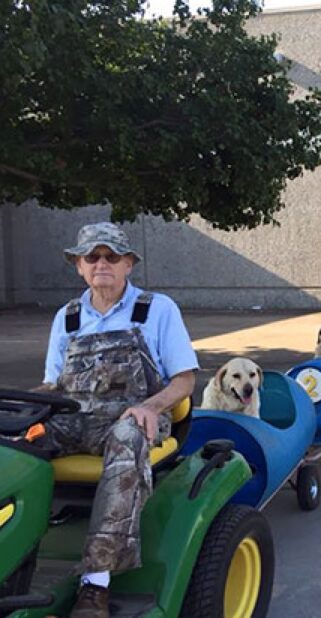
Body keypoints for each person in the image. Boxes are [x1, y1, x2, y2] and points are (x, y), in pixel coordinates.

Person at [36, 222, 198, 618]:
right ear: (79, 266)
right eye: (92, 256)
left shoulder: (157, 309)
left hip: (133, 416)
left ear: (129, 264)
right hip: (74, 417)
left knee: (128, 439)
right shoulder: (68, 317)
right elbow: (51, 385)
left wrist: (152, 407)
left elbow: (186, 380)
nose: (101, 263)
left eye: (112, 256)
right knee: (14, 441)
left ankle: (96, 586)